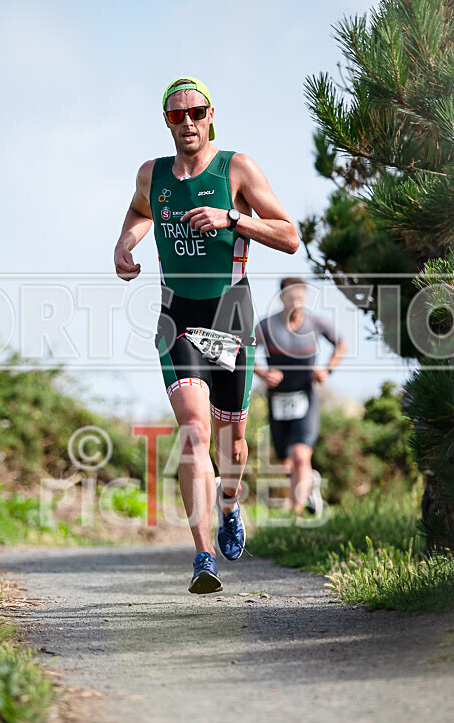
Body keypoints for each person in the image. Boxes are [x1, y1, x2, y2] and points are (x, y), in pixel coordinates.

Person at [114, 77, 300, 593]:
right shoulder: (153, 175)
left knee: (232, 444)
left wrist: (233, 218)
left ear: (211, 113)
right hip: (178, 318)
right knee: (195, 433)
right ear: (167, 122)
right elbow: (138, 210)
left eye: (195, 112)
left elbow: (289, 236)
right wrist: (124, 244)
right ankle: (202, 556)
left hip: (230, 318)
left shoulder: (235, 168)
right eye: (177, 116)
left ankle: (230, 506)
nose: (188, 122)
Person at [254, 276, 346, 515]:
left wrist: (326, 369)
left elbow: (341, 344)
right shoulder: (267, 326)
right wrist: (263, 374)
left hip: (306, 397)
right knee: (285, 463)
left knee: (301, 454)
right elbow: (244, 349)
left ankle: (296, 510)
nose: (296, 301)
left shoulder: (316, 323)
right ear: (282, 297)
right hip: (278, 400)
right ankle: (307, 487)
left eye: (300, 297)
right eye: (291, 297)